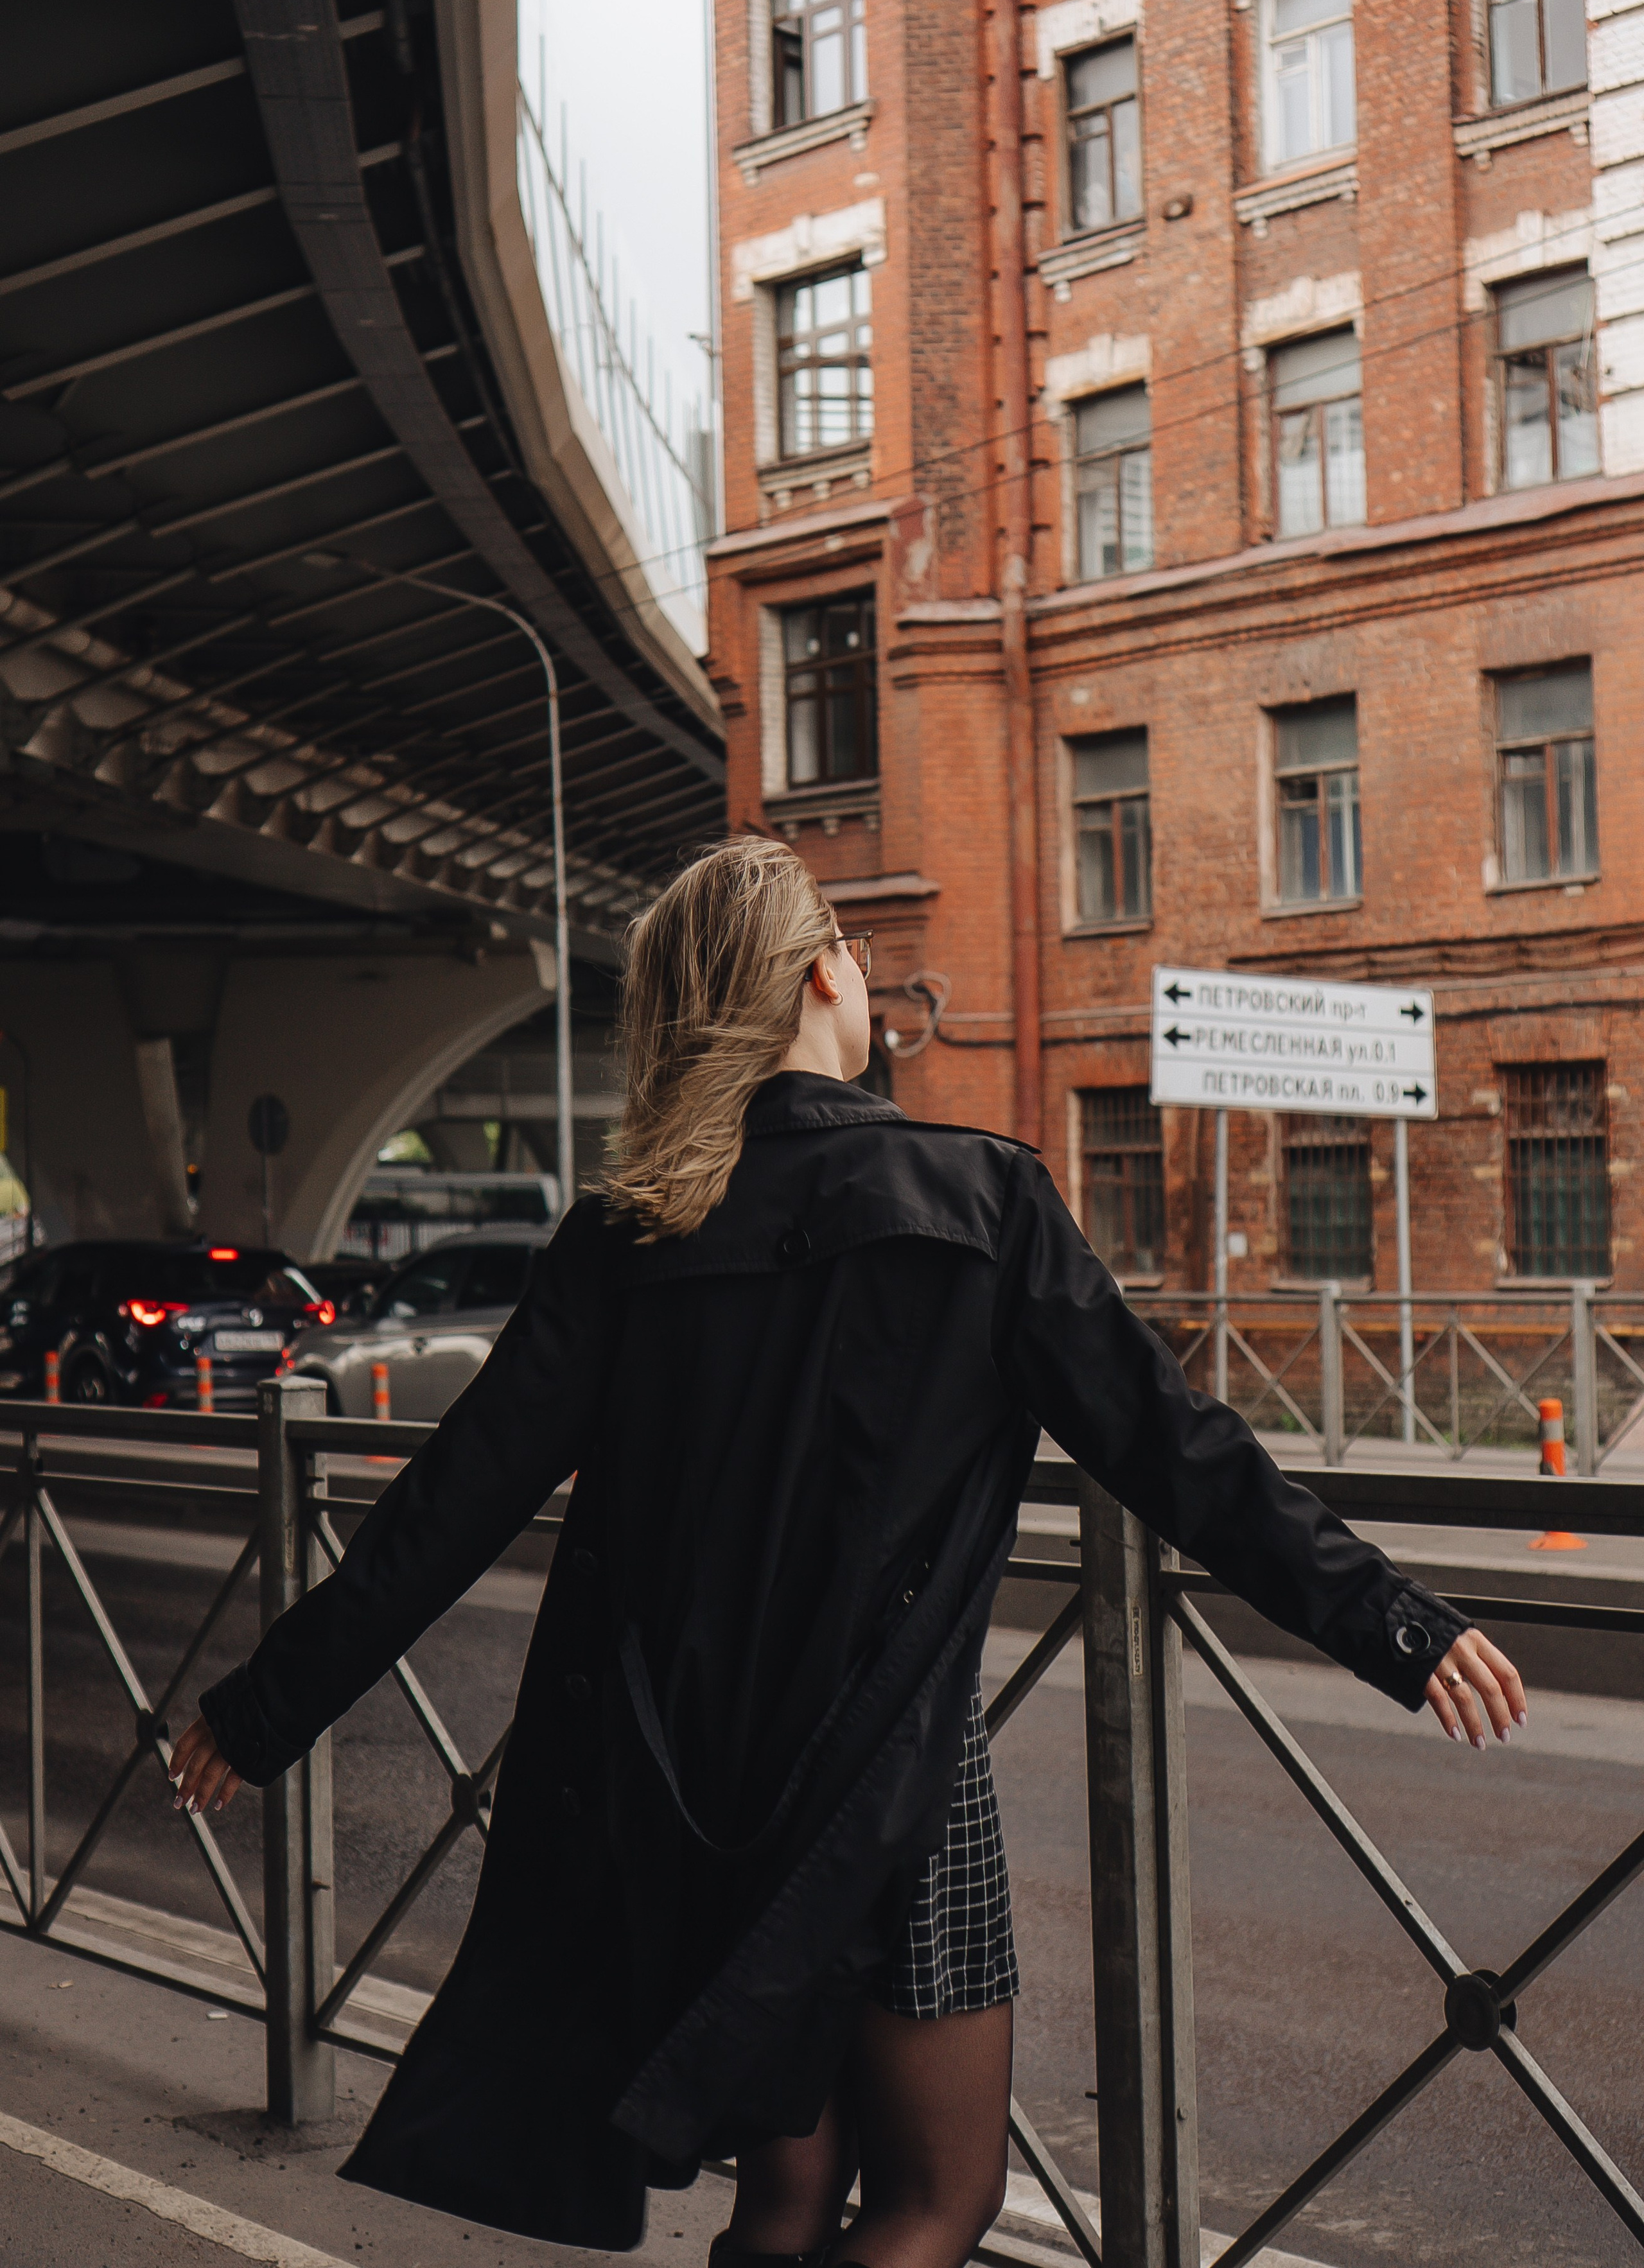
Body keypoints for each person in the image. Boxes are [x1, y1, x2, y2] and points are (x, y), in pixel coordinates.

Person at [170, 838, 1526, 2267]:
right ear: (823, 973)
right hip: (893, 1781)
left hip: (688, 1787)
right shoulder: (981, 1201)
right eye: (857, 954)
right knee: (940, 2201)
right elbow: (1179, 1454)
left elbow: (450, 1503)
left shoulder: (625, 1236)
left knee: (787, 2203)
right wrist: (1395, 1624)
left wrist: (261, 1711)